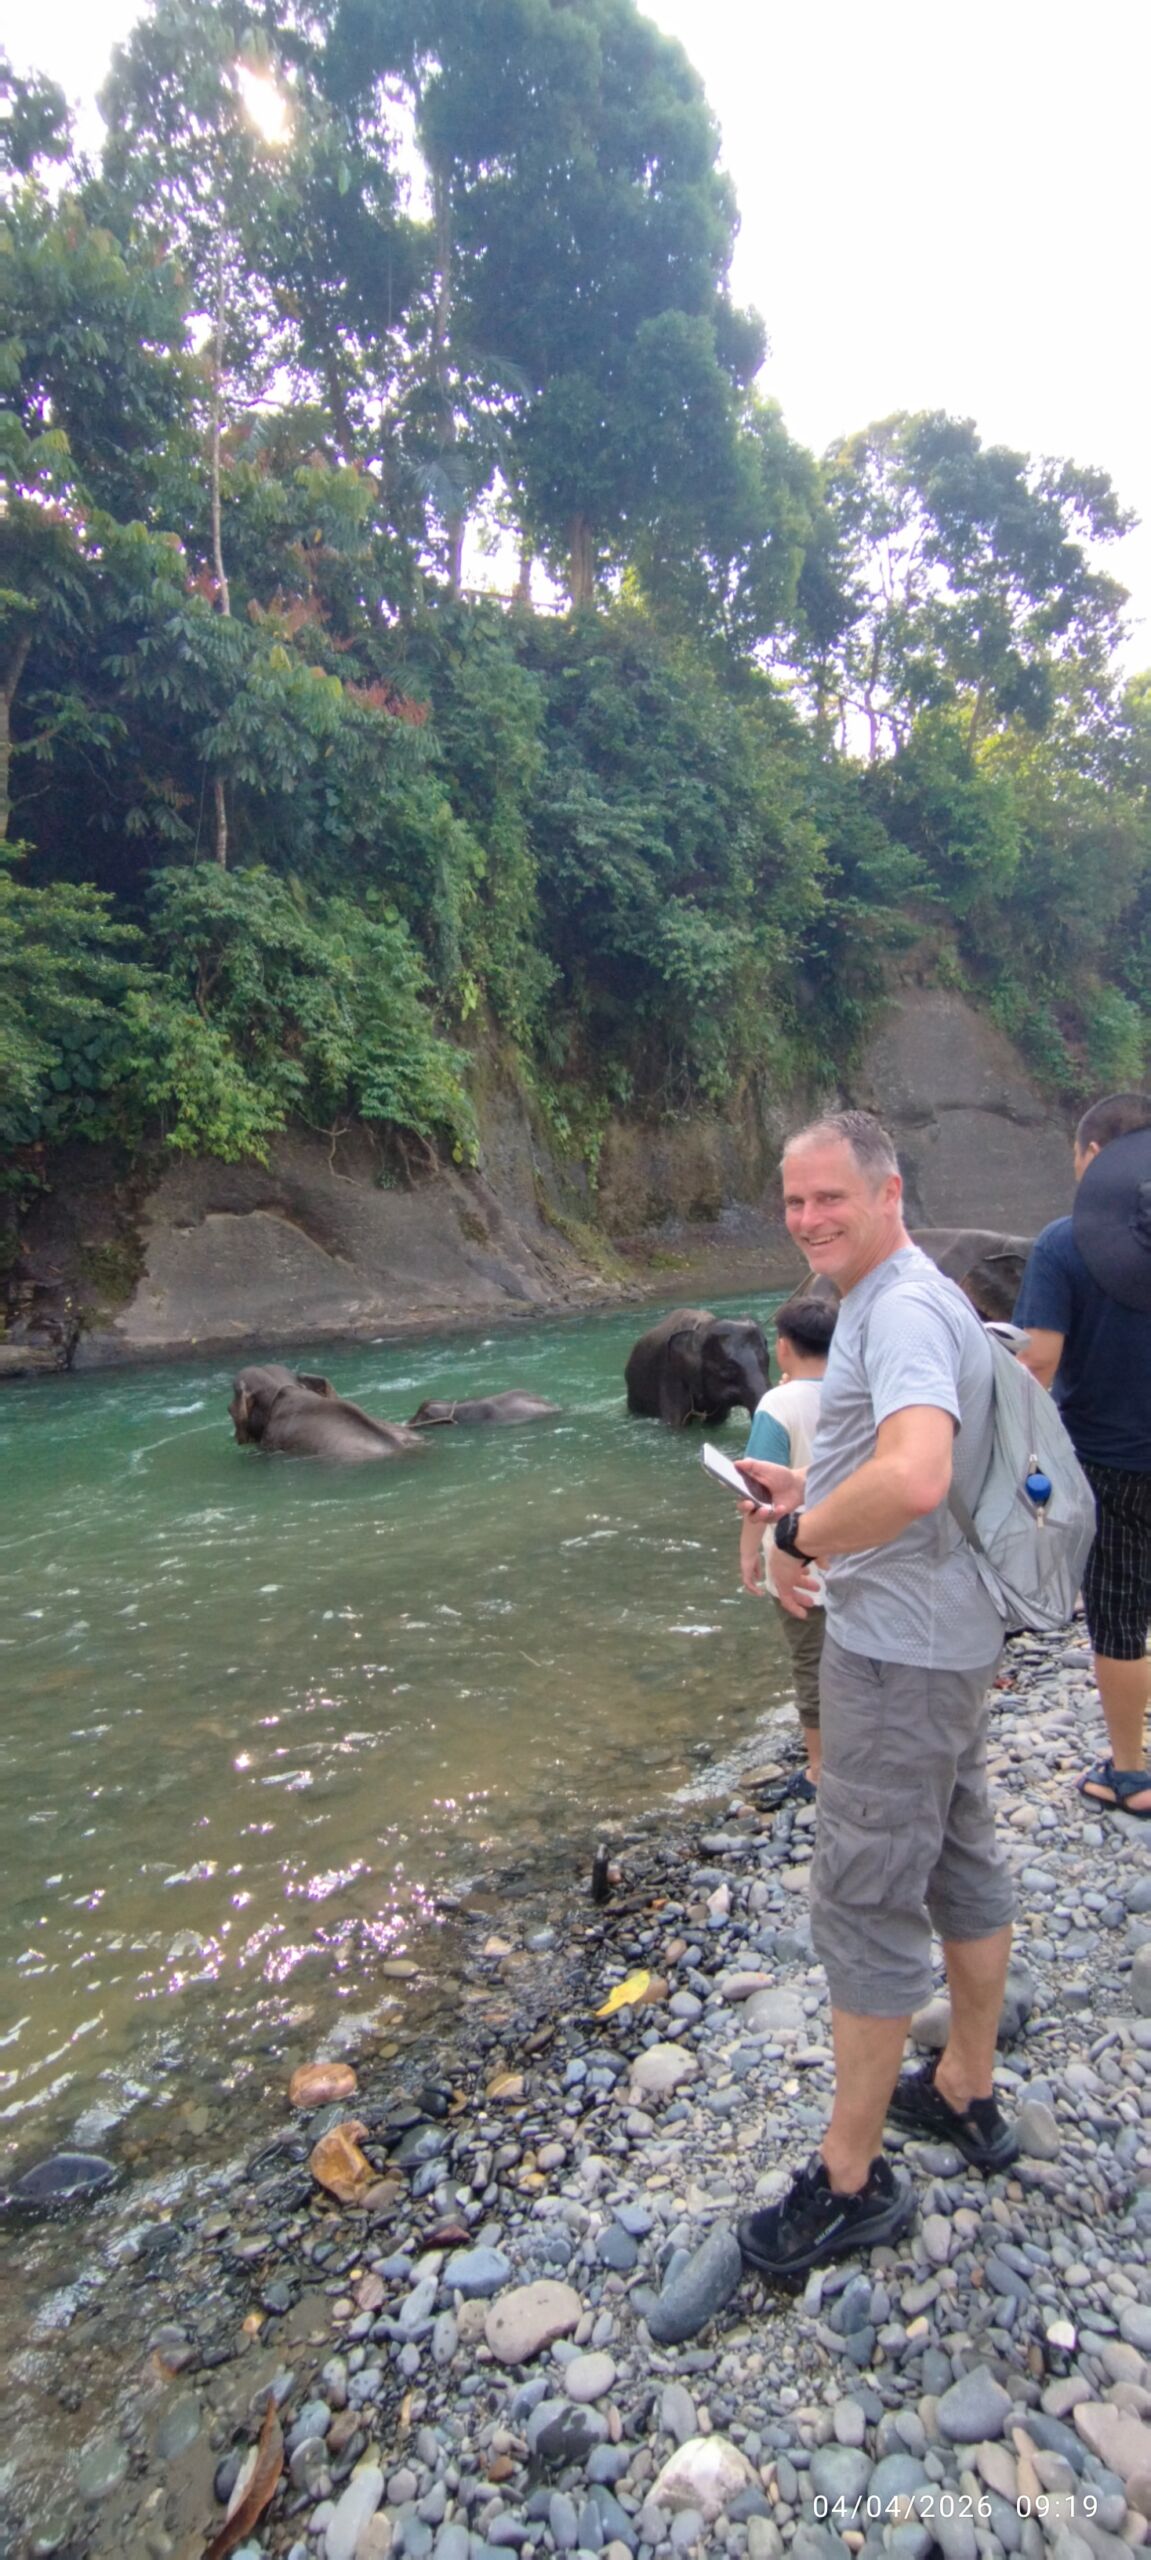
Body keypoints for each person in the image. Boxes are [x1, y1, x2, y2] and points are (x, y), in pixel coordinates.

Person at [733, 1109, 1017, 2282]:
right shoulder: (925, 1294)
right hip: (944, 1637)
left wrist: (800, 1530)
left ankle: (849, 2179)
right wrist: (813, 1483)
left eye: (827, 1200)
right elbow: (904, 1469)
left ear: (887, 1191)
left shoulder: (893, 1307)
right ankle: (963, 2085)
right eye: (792, 1201)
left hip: (895, 1653)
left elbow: (912, 1475)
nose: (806, 1221)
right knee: (959, 1851)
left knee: (861, 1893)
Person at [1013, 1091, 1151, 1818]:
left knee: (1121, 1613)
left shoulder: (1063, 1244)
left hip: (1109, 1461)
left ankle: (1129, 1771)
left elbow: (1035, 1362)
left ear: (1094, 1157)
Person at [739, 1295, 837, 1795]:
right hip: (856, 1551)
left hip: (794, 1562)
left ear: (782, 1347)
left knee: (810, 1664)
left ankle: (820, 1770)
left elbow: (759, 1493)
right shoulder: (856, 1390)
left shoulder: (775, 1405)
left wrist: (746, 1556)